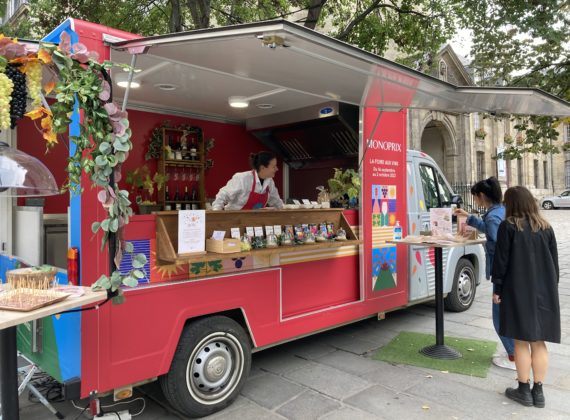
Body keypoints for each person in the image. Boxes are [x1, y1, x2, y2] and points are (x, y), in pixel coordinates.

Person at [491, 186, 560, 408]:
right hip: (544, 291)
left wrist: (497, 290)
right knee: (538, 341)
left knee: (521, 340)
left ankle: (523, 389)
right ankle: (538, 393)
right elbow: (554, 265)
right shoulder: (546, 228)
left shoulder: (508, 227)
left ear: (511, 203)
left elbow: (500, 262)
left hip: (516, 290)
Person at [454, 177, 515, 370]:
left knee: (500, 316)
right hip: (508, 273)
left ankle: (513, 355)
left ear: (481, 196)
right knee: (506, 314)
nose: (476, 200)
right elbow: (488, 229)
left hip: (502, 274)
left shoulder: (493, 217)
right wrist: (469, 217)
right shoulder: (499, 211)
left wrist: (498, 281)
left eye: (476, 197)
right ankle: (513, 352)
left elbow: (500, 247)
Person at [212, 151, 284, 210]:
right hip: (233, 221)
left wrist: (279, 210)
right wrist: (217, 213)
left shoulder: (270, 182)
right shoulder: (242, 178)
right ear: (262, 168)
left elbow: (277, 203)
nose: (277, 169)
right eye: (274, 166)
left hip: (253, 222)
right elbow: (223, 195)